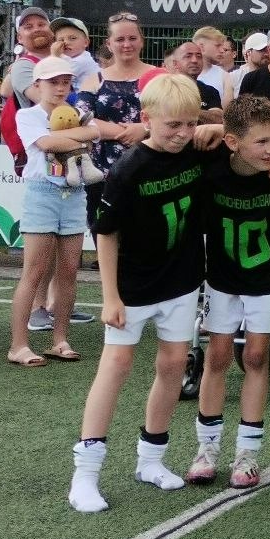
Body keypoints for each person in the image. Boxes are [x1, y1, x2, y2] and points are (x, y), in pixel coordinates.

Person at [66, 75, 209, 513]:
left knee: (172, 365)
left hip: (181, 281)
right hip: (134, 287)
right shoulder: (129, 168)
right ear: (146, 120)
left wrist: (213, 127)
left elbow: (224, 132)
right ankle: (85, 475)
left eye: (189, 124)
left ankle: (151, 459)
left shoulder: (194, 150)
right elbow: (106, 234)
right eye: (173, 126)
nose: (182, 134)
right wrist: (111, 296)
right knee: (116, 365)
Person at [187, 94, 270, 490]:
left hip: (268, 275)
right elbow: (172, 132)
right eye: (261, 141)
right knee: (216, 356)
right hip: (222, 276)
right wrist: (210, 125)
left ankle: (247, 453)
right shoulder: (212, 164)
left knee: (257, 354)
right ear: (233, 142)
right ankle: (206, 448)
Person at [7, 57, 95, 367]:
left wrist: (77, 135)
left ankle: (60, 339)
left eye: (65, 82)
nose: (60, 88)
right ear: (38, 85)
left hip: (74, 194)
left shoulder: (78, 114)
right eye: (53, 82)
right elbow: (46, 142)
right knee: (34, 271)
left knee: (69, 270)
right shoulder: (28, 115)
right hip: (42, 194)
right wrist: (80, 135)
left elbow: (94, 134)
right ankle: (18, 345)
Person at [77, 13, 164, 223]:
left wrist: (144, 130)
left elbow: (175, 115)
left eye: (132, 38)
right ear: (109, 43)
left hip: (151, 171)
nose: (127, 44)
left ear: (142, 41)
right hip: (104, 174)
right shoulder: (94, 80)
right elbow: (81, 119)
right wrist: (127, 132)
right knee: (106, 233)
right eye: (120, 39)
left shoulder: (161, 76)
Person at [170, 41, 224, 119]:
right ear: (175, 64)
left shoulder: (210, 91)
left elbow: (217, 118)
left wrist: (183, 111)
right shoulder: (165, 89)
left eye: (199, 56)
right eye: (188, 56)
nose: (194, 60)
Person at [50, 16, 100, 89]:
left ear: (86, 42)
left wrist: (54, 56)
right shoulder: (68, 57)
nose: (66, 42)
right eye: (61, 40)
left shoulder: (81, 61)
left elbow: (55, 79)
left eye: (72, 38)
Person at [226, 31, 269, 105]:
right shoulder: (233, 77)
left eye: (269, 49)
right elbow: (227, 110)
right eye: (261, 50)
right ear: (248, 52)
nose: (266, 53)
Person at [190, 26, 230, 97]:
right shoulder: (181, 76)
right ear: (201, 47)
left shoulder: (225, 77)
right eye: (217, 45)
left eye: (222, 46)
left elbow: (227, 107)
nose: (222, 50)